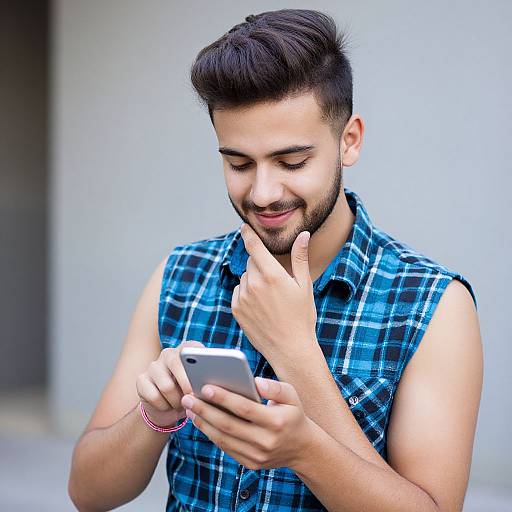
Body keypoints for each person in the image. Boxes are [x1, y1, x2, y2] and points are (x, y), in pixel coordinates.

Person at [68, 8, 483, 512]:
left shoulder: (432, 305)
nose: (263, 193)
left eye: (291, 162)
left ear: (348, 140)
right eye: (238, 162)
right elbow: (86, 493)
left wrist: (299, 381)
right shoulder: (180, 277)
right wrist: (154, 416)